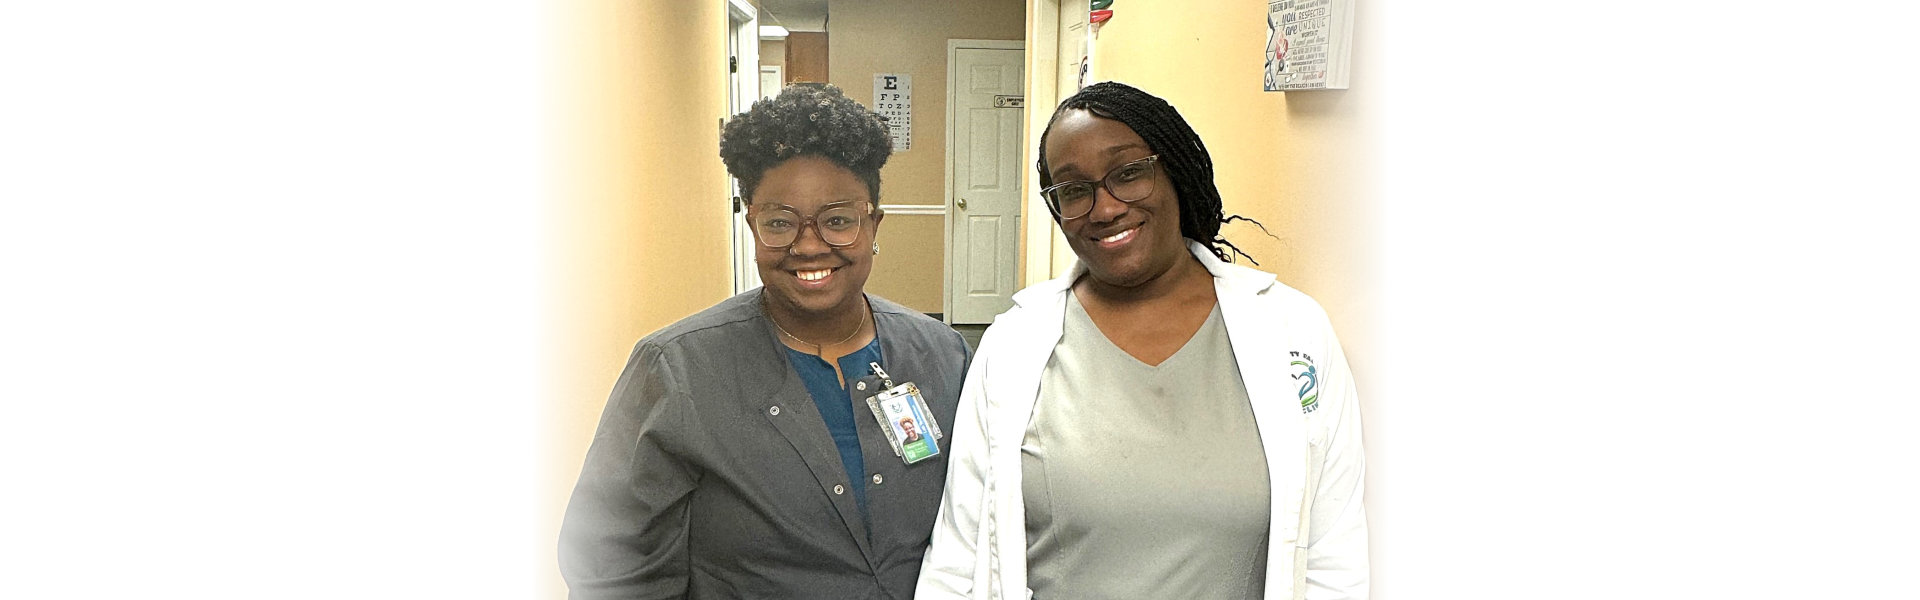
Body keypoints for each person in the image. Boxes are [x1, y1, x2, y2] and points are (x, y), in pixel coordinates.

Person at [915, 82, 1368, 599]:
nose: (1104, 209)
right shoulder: (1014, 344)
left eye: (1128, 173)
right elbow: (959, 554)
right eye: (1074, 190)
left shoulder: (1291, 329)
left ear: (1174, 171)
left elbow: (1335, 553)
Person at [560, 84, 972, 599]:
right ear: (751, 224)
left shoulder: (942, 355)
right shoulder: (677, 369)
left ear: (874, 224)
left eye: (838, 220)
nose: (808, 245)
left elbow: (976, 524)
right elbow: (612, 567)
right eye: (779, 223)